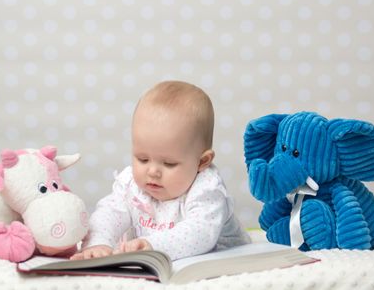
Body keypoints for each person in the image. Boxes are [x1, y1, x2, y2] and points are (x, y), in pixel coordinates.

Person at [72, 80, 249, 261]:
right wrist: (98, 242)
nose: (153, 171)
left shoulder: (206, 189)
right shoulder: (132, 185)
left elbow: (201, 231)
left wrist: (153, 246)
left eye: (169, 163)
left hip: (221, 263)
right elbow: (109, 214)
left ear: (202, 162)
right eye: (142, 159)